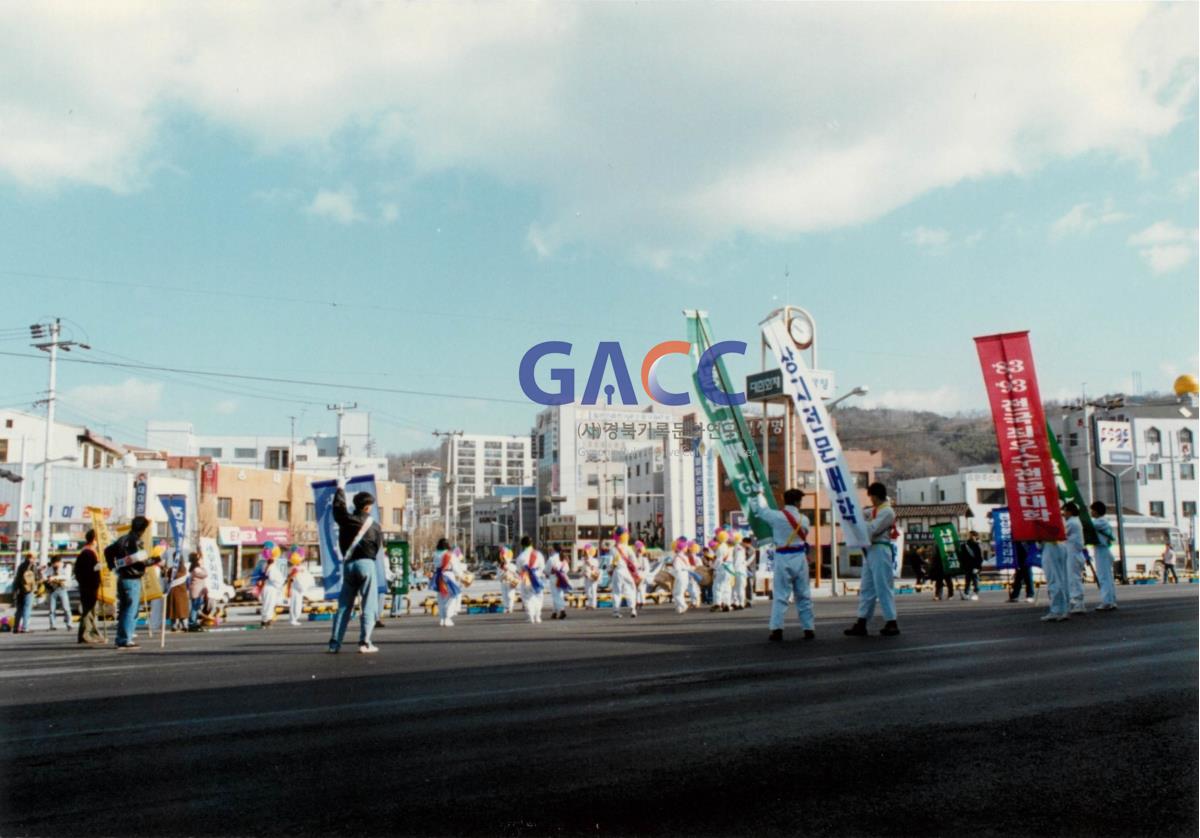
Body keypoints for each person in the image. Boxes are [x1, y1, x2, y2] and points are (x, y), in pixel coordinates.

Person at [752, 488, 816, 642]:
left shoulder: (777, 517)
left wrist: (759, 493)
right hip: (800, 557)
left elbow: (761, 511)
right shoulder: (804, 519)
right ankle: (808, 629)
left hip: (782, 556)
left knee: (781, 595)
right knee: (804, 595)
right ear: (797, 502)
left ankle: (777, 629)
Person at [328, 487, 382, 654]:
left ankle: (334, 644)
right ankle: (365, 642)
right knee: (369, 604)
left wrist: (340, 489)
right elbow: (377, 546)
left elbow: (338, 509)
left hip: (349, 564)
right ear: (367, 507)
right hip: (367, 564)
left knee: (344, 606)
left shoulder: (347, 519)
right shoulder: (374, 525)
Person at [845, 482, 900, 637]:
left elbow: (871, 530)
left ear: (875, 496)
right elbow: (863, 515)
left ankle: (891, 621)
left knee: (883, 586)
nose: (870, 500)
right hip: (871, 551)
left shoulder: (887, 512)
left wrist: (860, 522)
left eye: (871, 497)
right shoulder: (876, 510)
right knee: (867, 588)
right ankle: (861, 622)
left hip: (880, 549)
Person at [104, 516, 151, 649]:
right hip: (133, 579)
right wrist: (155, 560)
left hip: (122, 578)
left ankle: (121, 638)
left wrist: (111, 565)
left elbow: (107, 550)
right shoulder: (136, 541)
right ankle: (125, 639)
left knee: (124, 609)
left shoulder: (122, 539)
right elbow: (141, 560)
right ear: (143, 529)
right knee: (131, 610)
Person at [76, 531, 104, 645]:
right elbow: (88, 571)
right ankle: (86, 634)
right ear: (94, 540)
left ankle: (90, 633)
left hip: (88, 585)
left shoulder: (87, 551)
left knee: (91, 611)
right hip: (89, 585)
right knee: (88, 611)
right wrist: (98, 567)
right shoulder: (88, 552)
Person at [1062, 503, 1088, 615]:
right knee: (1073, 578)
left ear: (1070, 512)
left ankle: (1078, 603)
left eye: (1065, 511)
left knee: (1074, 579)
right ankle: (1076, 603)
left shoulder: (1072, 522)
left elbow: (1061, 534)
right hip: (1074, 554)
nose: (1063, 514)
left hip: (1074, 555)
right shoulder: (1073, 521)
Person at [609, 527, 640, 619]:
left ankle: (616, 611)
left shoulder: (613, 549)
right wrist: (635, 570)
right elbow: (634, 561)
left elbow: (609, 564)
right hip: (626, 571)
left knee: (616, 591)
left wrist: (610, 571)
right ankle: (632, 609)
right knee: (631, 588)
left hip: (617, 571)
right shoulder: (627, 548)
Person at [1038, 534, 1070, 623]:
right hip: (1061, 545)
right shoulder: (1059, 521)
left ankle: (1057, 610)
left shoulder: (1044, 521)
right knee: (1063, 578)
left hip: (1050, 546)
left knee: (1053, 579)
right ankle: (1064, 608)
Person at [431, 540, 463, 627]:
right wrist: (461, 575)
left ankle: (442, 618)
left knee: (441, 598)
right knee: (452, 596)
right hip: (448, 576)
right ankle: (448, 618)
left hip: (438, 576)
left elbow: (434, 565)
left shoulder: (435, 554)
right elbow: (456, 567)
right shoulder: (449, 554)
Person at [516, 535, 545, 624]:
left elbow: (519, 569)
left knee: (527, 597)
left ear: (522, 545)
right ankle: (538, 617)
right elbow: (542, 566)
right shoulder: (538, 554)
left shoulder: (521, 556)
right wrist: (538, 574)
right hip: (537, 577)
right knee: (539, 596)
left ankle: (530, 617)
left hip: (526, 577)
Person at [44, 556, 73, 630]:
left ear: (59, 562)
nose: (55, 566)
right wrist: (44, 575)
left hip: (62, 589)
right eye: (53, 564)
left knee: (66, 608)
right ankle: (53, 625)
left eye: (56, 564)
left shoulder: (67, 566)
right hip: (52, 590)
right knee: (51, 609)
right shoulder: (50, 568)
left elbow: (67, 577)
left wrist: (54, 578)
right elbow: (45, 576)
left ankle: (69, 624)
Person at [12, 552, 39, 634]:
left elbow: (17, 578)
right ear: (31, 558)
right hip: (28, 590)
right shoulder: (33, 566)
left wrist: (15, 589)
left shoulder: (21, 566)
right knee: (27, 608)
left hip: (20, 590)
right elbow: (36, 578)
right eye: (34, 558)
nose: (35, 559)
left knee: (19, 609)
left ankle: (16, 627)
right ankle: (25, 627)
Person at [711, 530, 736, 613]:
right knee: (727, 586)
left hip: (722, 568)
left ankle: (717, 604)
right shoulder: (728, 547)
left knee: (717, 586)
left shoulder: (721, 547)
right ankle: (726, 603)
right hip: (729, 567)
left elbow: (719, 560)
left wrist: (714, 568)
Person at [164, 551, 190, 632]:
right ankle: (184, 624)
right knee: (182, 609)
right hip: (182, 591)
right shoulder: (184, 568)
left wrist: (166, 571)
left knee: (174, 609)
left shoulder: (172, 569)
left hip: (174, 591)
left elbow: (168, 579)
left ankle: (175, 625)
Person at [547, 547, 571, 620]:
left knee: (555, 596)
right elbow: (567, 569)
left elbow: (546, 570)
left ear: (554, 550)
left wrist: (550, 572)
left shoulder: (551, 559)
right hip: (562, 578)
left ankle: (561, 610)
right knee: (560, 594)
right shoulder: (564, 559)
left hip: (554, 579)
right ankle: (554, 612)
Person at [958, 532, 983, 601]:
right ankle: (966, 593)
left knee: (975, 580)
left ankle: (975, 593)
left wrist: (978, 567)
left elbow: (980, 558)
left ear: (976, 536)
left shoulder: (977, 545)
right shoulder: (964, 545)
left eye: (973, 535)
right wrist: (962, 564)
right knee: (967, 580)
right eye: (970, 535)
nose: (971, 537)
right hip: (967, 565)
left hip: (975, 566)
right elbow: (961, 556)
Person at [670, 537, 692, 614]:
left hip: (679, 575)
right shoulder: (685, 557)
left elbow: (676, 568)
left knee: (676, 593)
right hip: (686, 575)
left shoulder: (676, 557)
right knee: (681, 592)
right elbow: (689, 567)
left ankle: (683, 605)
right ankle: (679, 609)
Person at [188, 553, 209, 631]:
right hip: (196, 592)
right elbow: (205, 574)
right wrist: (202, 566)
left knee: (196, 607)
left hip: (197, 591)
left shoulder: (195, 568)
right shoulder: (196, 569)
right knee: (195, 607)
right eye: (200, 559)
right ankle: (192, 623)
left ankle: (194, 622)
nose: (201, 560)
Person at [497, 547, 519, 615]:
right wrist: (501, 574)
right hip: (503, 582)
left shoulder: (512, 566)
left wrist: (508, 570)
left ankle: (510, 608)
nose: (504, 559)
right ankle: (506, 607)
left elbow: (517, 574)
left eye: (505, 557)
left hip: (511, 582)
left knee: (510, 595)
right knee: (504, 595)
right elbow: (499, 575)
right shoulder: (500, 566)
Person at [581, 544, 600, 610]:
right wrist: (582, 573)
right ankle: (590, 603)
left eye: (586, 552)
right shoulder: (584, 560)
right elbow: (583, 569)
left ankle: (593, 604)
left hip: (593, 577)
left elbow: (594, 568)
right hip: (586, 577)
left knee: (593, 590)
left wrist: (589, 563)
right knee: (587, 591)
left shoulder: (594, 560)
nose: (585, 553)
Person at [633, 540, 651, 609]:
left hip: (642, 575)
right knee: (637, 589)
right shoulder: (634, 559)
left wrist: (643, 575)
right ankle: (638, 601)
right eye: (638, 551)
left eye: (639, 551)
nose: (638, 552)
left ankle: (641, 601)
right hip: (637, 575)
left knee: (641, 589)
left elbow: (647, 569)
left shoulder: (644, 559)